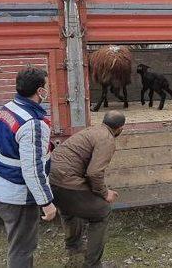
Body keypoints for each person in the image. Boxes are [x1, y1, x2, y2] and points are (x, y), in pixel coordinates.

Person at [0, 67, 57, 268]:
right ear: (40, 91)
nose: (48, 89)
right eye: (47, 86)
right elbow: (32, 169)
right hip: (18, 196)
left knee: (17, 243)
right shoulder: (32, 123)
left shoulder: (8, 108)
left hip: (1, 186)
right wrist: (47, 202)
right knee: (22, 248)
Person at [49, 110, 126, 268]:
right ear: (120, 128)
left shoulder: (92, 130)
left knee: (70, 208)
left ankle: (73, 246)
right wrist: (105, 193)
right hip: (67, 181)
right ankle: (93, 264)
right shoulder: (107, 139)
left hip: (51, 180)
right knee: (102, 212)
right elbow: (94, 172)